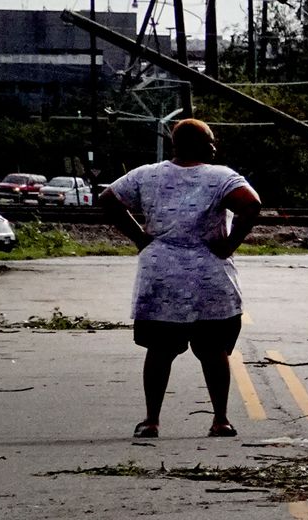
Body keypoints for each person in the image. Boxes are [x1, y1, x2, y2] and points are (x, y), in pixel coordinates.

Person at [99, 118, 262, 439]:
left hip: (161, 277)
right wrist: (229, 244)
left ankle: (151, 421)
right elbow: (251, 204)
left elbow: (107, 199)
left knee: (159, 351)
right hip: (209, 279)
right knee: (215, 351)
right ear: (200, 145)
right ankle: (220, 420)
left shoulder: (146, 174)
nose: (214, 147)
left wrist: (139, 237)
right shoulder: (222, 177)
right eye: (211, 141)